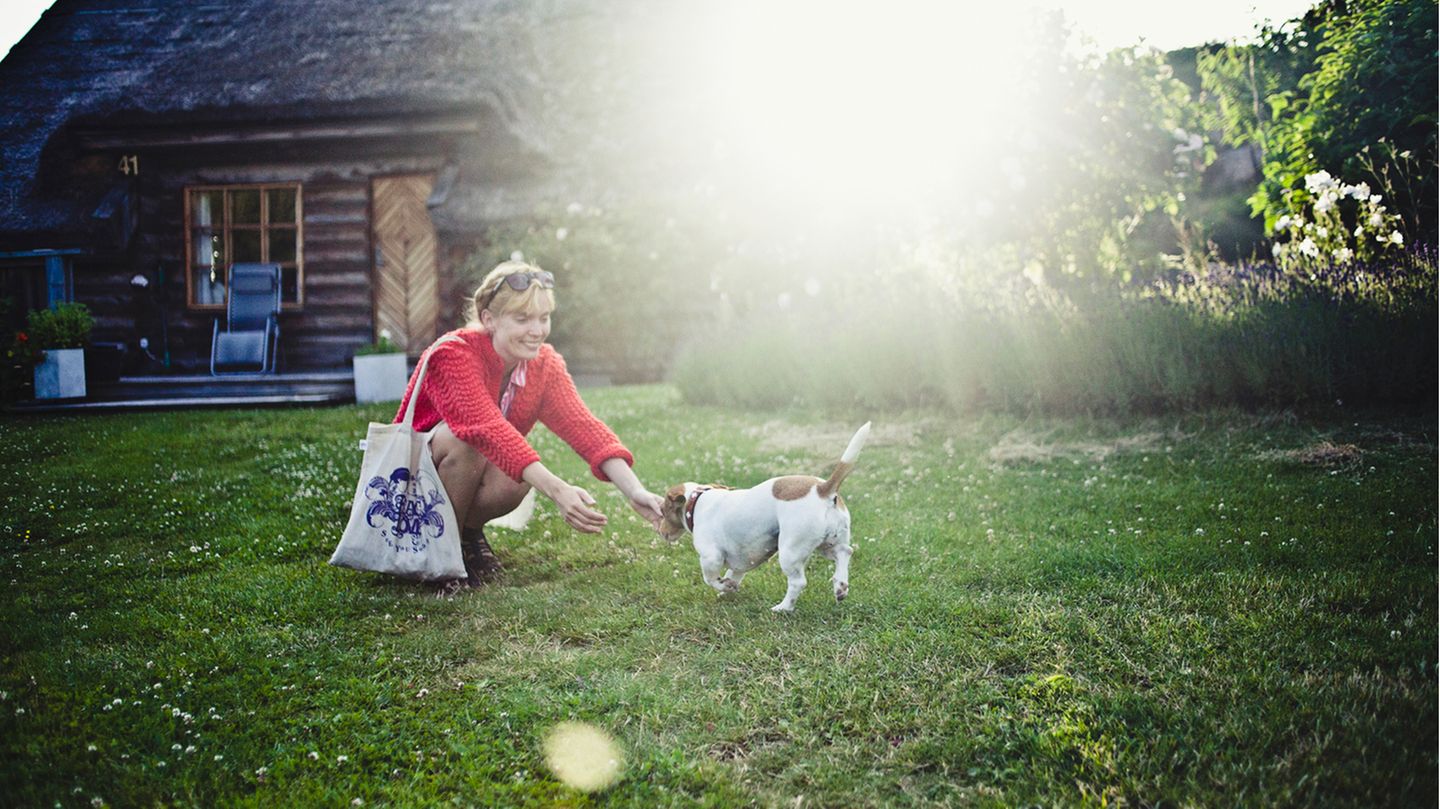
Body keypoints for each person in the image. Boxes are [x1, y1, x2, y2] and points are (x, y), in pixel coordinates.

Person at [393, 259, 665, 587]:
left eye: (543, 318)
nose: (536, 330)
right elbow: (484, 427)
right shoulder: (453, 354)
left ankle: (464, 535)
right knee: (463, 440)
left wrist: (634, 490)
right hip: (409, 489)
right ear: (488, 319)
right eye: (522, 319)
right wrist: (558, 490)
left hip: (460, 479)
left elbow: (584, 427)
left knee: (518, 474)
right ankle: (439, 554)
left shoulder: (544, 365)